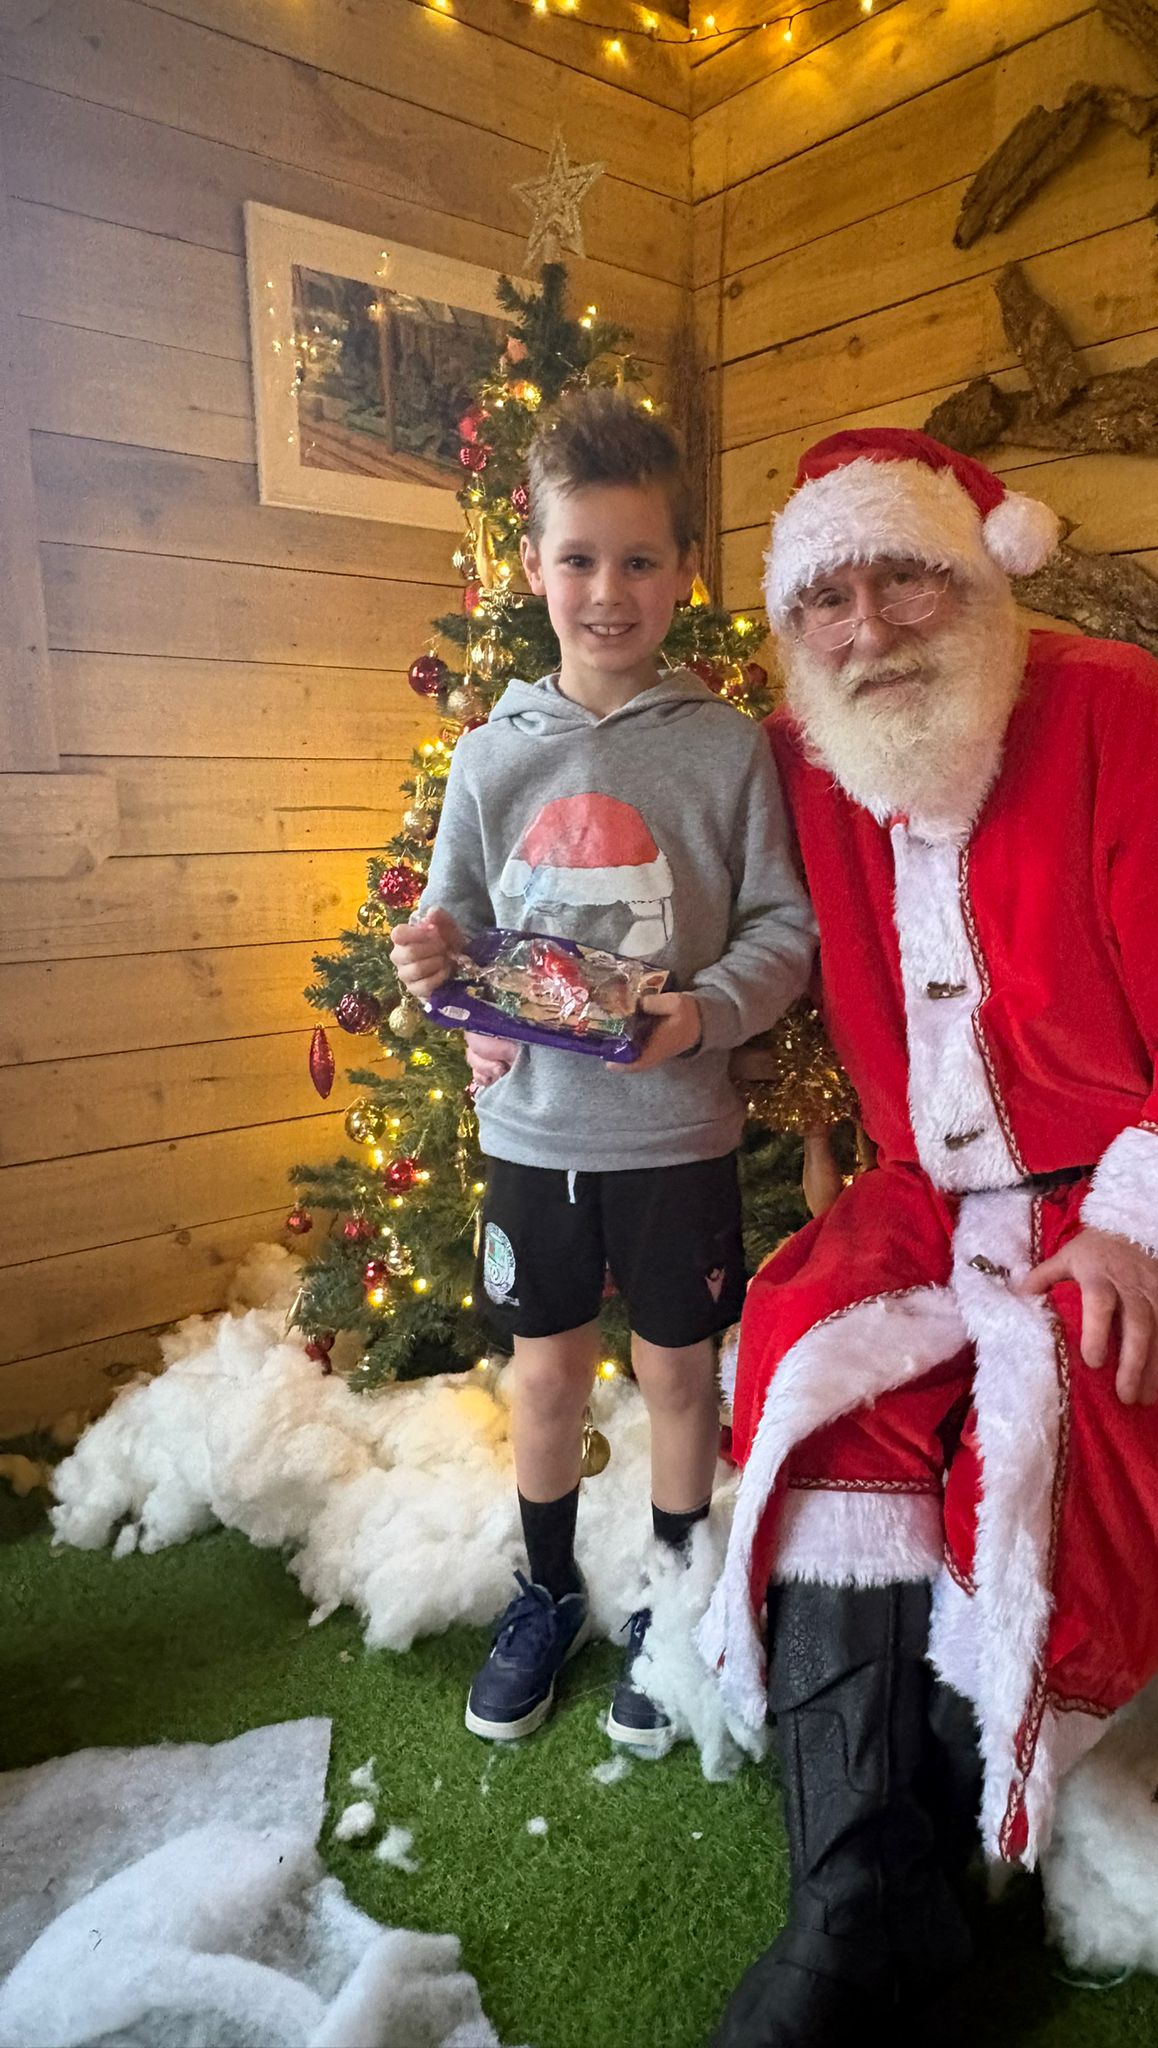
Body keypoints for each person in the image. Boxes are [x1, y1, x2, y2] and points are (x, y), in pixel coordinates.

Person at [699, 427, 1158, 2043]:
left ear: (981, 576)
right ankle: (864, 1902)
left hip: (1124, 1196)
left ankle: (942, 1875)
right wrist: (531, 999)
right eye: (825, 597)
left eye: (905, 577)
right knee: (811, 1362)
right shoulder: (803, 760)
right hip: (927, 1195)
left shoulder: (1121, 715)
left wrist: (1146, 1229)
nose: (867, 627)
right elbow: (661, 871)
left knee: (1065, 1414)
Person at [392, 389, 815, 1758]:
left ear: (686, 569)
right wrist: (435, 973)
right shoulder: (488, 755)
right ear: (532, 568)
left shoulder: (727, 748)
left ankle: (675, 1600)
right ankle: (548, 1591)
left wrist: (703, 1016)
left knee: (681, 1381)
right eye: (579, 559)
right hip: (533, 1134)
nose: (608, 591)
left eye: (639, 560)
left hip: (678, 1134)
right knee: (548, 1380)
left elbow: (784, 929)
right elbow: (455, 932)